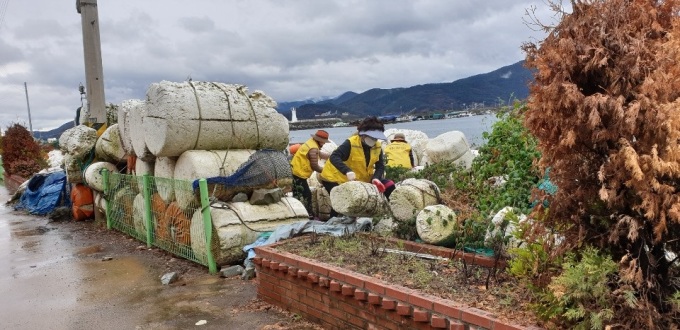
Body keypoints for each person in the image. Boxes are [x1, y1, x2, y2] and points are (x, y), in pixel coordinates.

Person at [320, 116, 395, 218]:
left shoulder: (377, 146)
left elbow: (380, 166)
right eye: (371, 137)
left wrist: (376, 178)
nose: (374, 140)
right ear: (363, 134)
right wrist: (347, 171)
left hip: (358, 178)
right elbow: (334, 156)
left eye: (376, 138)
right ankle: (332, 224)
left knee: (389, 185)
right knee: (341, 200)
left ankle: (392, 216)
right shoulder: (351, 143)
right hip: (333, 177)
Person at [290, 130, 329, 218]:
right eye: (324, 142)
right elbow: (315, 166)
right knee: (305, 194)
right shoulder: (313, 148)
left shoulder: (311, 143)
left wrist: (332, 157)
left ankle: (298, 214)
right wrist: (326, 171)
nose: (324, 144)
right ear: (320, 140)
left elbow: (320, 154)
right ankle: (307, 214)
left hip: (295, 171)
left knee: (298, 194)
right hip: (298, 174)